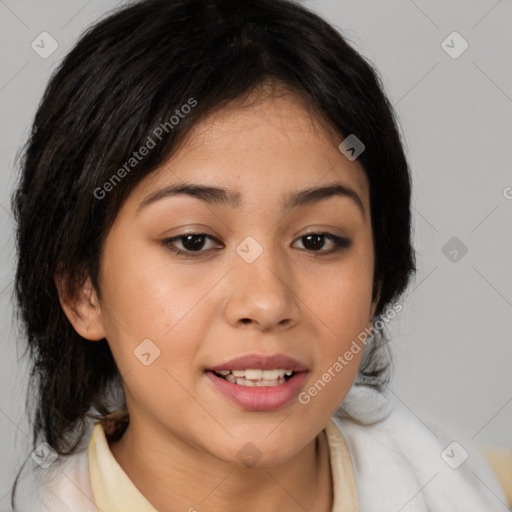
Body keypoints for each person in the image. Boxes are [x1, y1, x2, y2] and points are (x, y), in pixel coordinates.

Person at [9, 0, 510, 510]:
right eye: (193, 241)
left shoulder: (482, 489)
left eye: (317, 241)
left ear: (378, 279)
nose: (267, 302)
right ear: (82, 292)